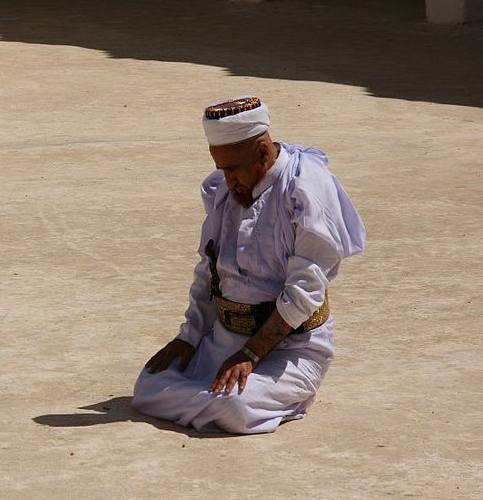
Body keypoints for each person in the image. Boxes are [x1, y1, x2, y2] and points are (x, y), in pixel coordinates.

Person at [132, 96, 365, 434]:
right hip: (224, 342)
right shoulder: (225, 192)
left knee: (236, 407)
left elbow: (304, 291)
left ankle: (281, 397)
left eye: (232, 169)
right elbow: (208, 272)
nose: (226, 182)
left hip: (292, 349)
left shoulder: (305, 187)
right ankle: (231, 399)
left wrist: (251, 354)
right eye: (220, 169)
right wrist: (189, 337)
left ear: (261, 151)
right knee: (148, 388)